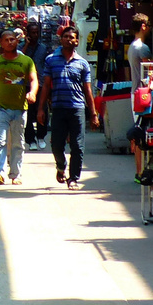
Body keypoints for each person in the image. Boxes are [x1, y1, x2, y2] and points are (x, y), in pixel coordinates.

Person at [38, 24, 98, 189]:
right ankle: (61, 165)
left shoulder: (83, 64)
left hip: (77, 109)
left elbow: (88, 90)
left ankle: (73, 178)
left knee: (78, 146)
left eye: (72, 37)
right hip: (58, 108)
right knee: (56, 145)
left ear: (77, 41)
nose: (68, 39)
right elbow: (46, 86)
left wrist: (93, 113)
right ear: (61, 39)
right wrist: (41, 109)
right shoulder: (51, 60)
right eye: (65, 36)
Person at [0, 29, 38, 185]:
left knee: (17, 142)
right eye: (6, 40)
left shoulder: (26, 61)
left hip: (19, 109)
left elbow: (33, 80)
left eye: (12, 39)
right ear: (1, 43)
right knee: (0, 141)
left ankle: (15, 174)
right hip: (0, 108)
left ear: (17, 41)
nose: (10, 42)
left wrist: (32, 93)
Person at [126, 13, 153, 175]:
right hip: (142, 96)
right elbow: (151, 72)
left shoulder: (132, 46)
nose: (149, 28)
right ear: (143, 26)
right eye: (148, 25)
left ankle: (139, 171)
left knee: (138, 132)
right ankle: (140, 172)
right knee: (141, 134)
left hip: (134, 94)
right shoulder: (142, 48)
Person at [22, 23, 50, 148]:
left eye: (36, 32)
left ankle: (41, 136)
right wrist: (26, 44)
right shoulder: (22, 47)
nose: (35, 35)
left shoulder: (43, 48)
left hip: (41, 83)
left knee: (42, 109)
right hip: (26, 85)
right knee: (27, 113)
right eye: (32, 32)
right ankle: (30, 139)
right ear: (27, 34)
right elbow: (20, 58)